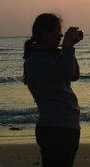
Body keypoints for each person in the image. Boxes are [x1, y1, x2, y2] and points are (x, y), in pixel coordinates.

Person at [23, 13, 83, 167]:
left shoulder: (53, 55)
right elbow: (67, 72)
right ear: (45, 33)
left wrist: (69, 48)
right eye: (57, 31)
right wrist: (67, 46)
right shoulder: (37, 60)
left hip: (67, 126)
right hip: (55, 129)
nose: (60, 35)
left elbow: (75, 75)